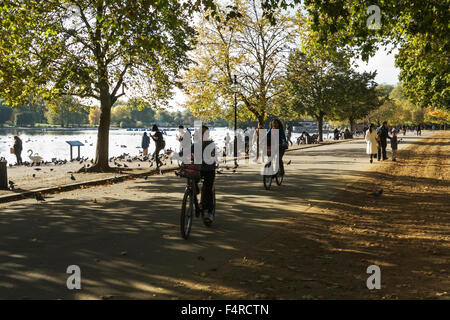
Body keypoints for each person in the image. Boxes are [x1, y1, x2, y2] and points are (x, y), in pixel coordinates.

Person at [191, 125, 216, 224]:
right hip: (198, 170)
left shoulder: (211, 144)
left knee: (207, 189)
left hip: (208, 170)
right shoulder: (195, 145)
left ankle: (209, 212)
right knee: (191, 183)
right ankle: (197, 205)